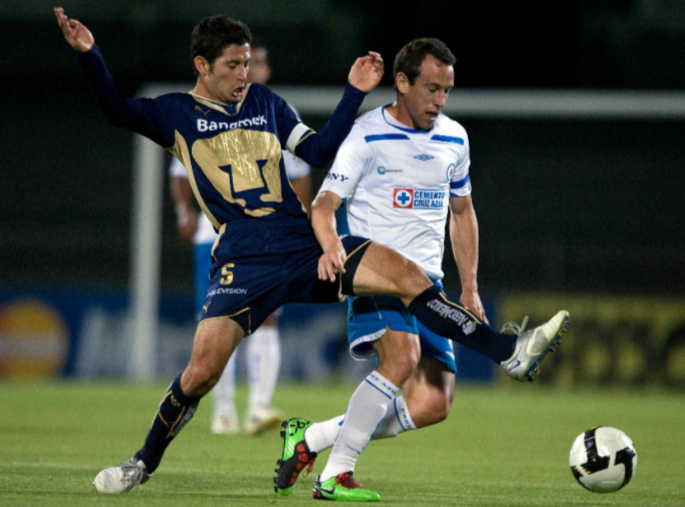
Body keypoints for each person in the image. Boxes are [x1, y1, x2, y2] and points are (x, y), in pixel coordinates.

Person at [54, 8, 567, 498]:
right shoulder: (173, 113)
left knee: (410, 276)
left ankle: (508, 352)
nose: (244, 72)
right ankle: (142, 462)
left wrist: (353, 93)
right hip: (243, 260)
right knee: (200, 374)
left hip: (301, 245)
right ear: (202, 66)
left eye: (248, 61)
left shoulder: (267, 104)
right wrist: (89, 53)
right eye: (233, 64)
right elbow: (116, 110)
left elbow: (317, 152)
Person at [273, 39, 570, 501]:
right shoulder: (366, 135)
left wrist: (469, 287)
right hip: (377, 277)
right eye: (431, 88)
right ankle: (335, 475)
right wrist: (331, 245)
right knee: (402, 359)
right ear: (402, 82)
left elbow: (463, 213)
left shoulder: (455, 138)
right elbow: (324, 204)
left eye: (446, 90)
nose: (439, 100)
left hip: (428, 286)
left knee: (434, 402)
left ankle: (310, 438)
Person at [169, 40, 313, 435]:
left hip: (271, 238)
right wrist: (185, 213)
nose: (252, 70)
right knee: (221, 324)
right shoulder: (200, 110)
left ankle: (258, 407)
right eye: (244, 63)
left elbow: (300, 176)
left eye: (257, 63)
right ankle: (224, 410)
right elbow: (179, 172)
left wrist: (300, 227)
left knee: (267, 320)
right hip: (218, 238)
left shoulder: (277, 111)